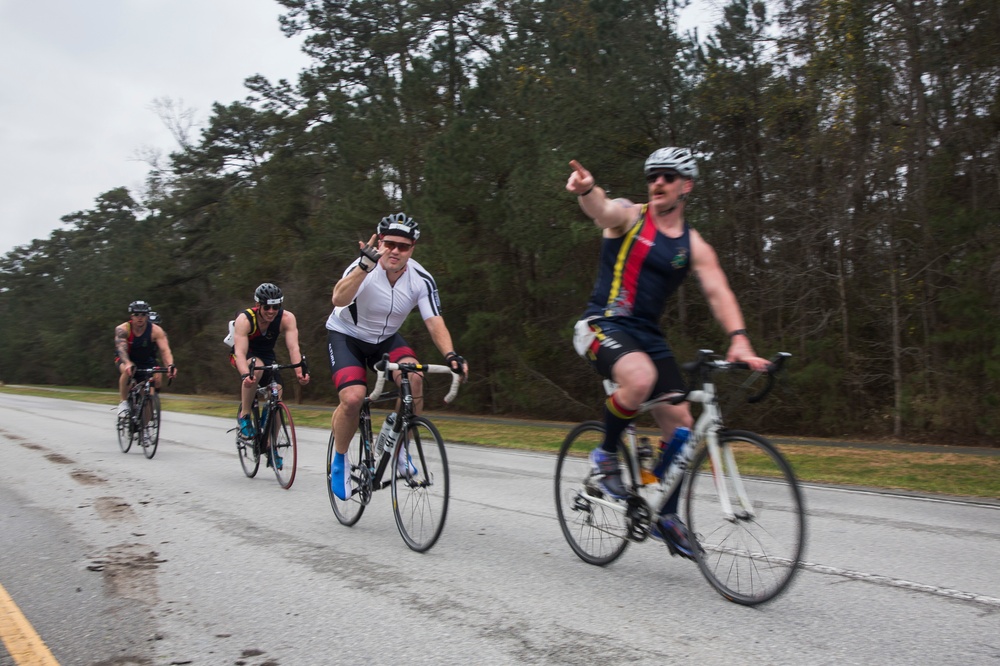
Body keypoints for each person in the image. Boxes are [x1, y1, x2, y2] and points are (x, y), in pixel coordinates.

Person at [566, 147, 769, 559]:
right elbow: (603, 210)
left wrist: (740, 338)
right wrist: (587, 192)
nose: (657, 182)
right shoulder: (631, 214)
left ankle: (664, 514)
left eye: (668, 176)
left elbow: (718, 291)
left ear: (686, 186)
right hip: (603, 324)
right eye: (652, 175)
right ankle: (605, 454)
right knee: (639, 379)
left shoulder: (693, 244)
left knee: (681, 426)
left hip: (648, 336)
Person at [326, 213, 468, 500]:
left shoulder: (421, 279)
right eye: (389, 243)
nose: (395, 251)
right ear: (379, 242)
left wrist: (451, 354)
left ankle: (400, 450)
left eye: (403, 246)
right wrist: (364, 267)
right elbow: (338, 299)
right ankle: (340, 460)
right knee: (353, 399)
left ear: (412, 248)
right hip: (347, 336)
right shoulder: (363, 267)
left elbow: (434, 321)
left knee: (414, 378)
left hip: (386, 339)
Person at [231, 283, 310, 443]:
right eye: (267, 307)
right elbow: (240, 352)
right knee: (256, 368)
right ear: (258, 305)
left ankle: (269, 445)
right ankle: (245, 415)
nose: (271, 312)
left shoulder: (287, 318)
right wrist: (246, 374)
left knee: (277, 395)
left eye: (276, 307)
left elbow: (293, 347)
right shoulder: (245, 319)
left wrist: (299, 372)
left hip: (267, 355)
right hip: (246, 355)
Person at [115, 300, 177, 414]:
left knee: (149, 400)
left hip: (145, 361)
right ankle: (123, 402)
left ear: (147, 316)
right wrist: (127, 363)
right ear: (131, 316)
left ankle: (144, 428)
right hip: (126, 359)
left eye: (143, 315)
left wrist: (170, 365)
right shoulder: (123, 329)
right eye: (137, 314)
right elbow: (121, 349)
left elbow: (165, 351)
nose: (140, 318)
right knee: (129, 370)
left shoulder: (156, 330)